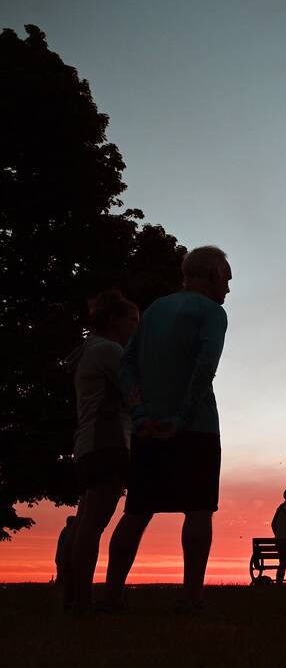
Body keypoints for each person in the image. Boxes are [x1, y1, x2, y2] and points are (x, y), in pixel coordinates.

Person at [104, 246, 232, 612]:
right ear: (208, 275)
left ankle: (112, 595)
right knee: (199, 508)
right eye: (226, 277)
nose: (228, 287)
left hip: (147, 427)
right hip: (198, 427)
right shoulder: (213, 313)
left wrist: (141, 413)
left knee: (138, 509)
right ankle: (191, 597)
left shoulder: (155, 310)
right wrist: (180, 417)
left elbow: (126, 365)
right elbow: (205, 367)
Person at [65, 290, 140, 610]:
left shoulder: (89, 351)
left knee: (87, 521)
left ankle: (75, 597)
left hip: (90, 444)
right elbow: (136, 395)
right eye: (133, 322)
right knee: (94, 523)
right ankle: (80, 599)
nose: (136, 329)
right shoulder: (109, 351)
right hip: (106, 442)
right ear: (113, 321)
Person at [55, 515, 77, 606]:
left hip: (61, 558)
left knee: (62, 577)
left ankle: (60, 595)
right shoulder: (68, 533)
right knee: (64, 577)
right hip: (64, 559)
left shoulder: (65, 532)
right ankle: (64, 597)